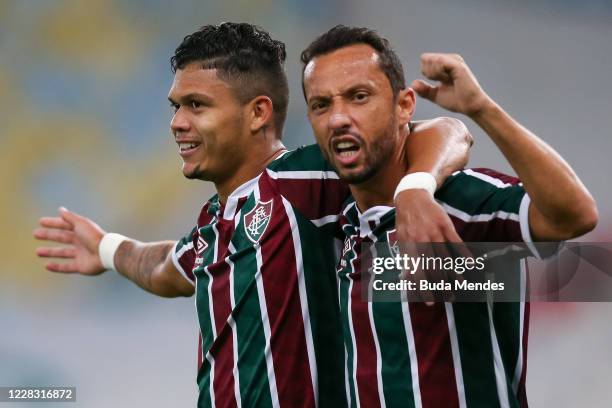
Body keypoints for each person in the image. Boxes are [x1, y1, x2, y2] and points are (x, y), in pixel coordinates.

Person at [33, 23, 472, 407]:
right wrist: (107, 249)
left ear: (258, 112)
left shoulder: (304, 179)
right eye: (176, 106)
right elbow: (167, 268)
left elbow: (447, 131)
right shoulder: (213, 221)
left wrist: (416, 187)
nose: (177, 122)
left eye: (197, 105)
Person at [301, 25, 598, 407]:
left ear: (404, 105)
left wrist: (481, 109)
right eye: (321, 105)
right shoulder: (338, 220)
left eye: (359, 97)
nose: (338, 118)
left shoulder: (460, 203)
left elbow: (574, 214)